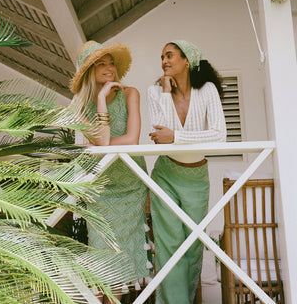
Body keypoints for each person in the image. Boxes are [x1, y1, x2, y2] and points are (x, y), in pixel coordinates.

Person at [69, 40, 150, 303]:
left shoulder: (131, 94)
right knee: (101, 253)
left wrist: (101, 143)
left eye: (111, 62)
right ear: (89, 72)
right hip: (100, 188)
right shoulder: (80, 107)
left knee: (121, 255)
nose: (108, 68)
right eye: (100, 64)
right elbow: (104, 142)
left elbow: (132, 140)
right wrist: (102, 99)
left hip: (129, 186)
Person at [147, 40, 226, 304]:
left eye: (169, 55)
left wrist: (177, 137)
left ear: (186, 60)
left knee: (192, 248)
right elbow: (161, 136)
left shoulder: (208, 91)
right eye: (161, 57)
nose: (164, 62)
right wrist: (166, 94)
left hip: (196, 178)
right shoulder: (155, 92)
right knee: (169, 246)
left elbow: (219, 135)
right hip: (166, 174)